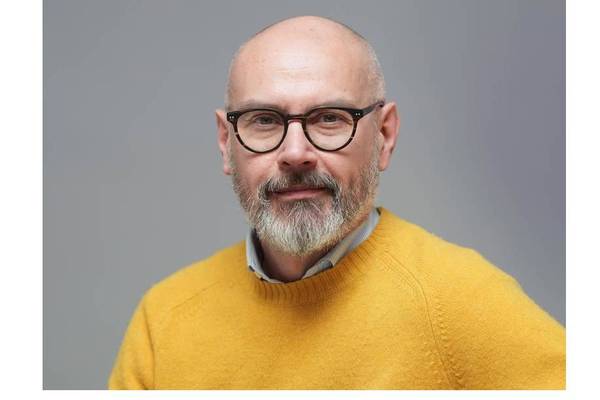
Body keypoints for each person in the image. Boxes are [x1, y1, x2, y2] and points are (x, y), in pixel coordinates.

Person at [108, 15, 565, 390]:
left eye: (329, 118)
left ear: (384, 135)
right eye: (264, 120)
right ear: (227, 143)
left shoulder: (461, 300)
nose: (295, 153)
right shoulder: (164, 318)